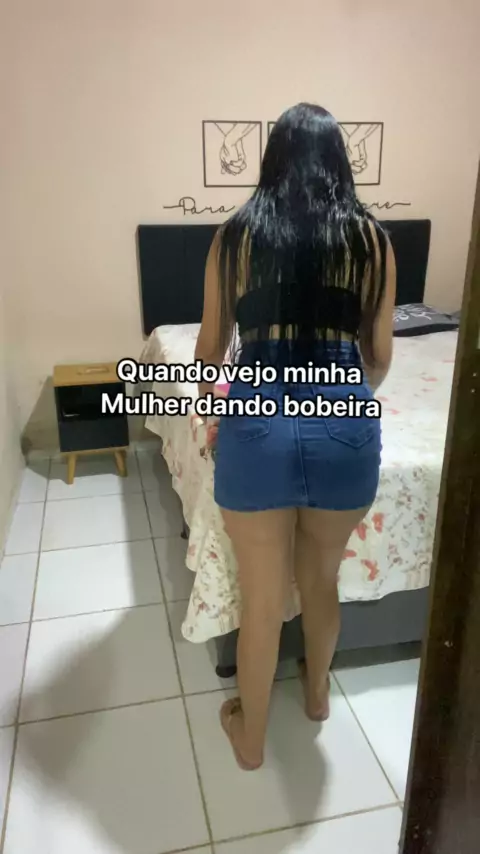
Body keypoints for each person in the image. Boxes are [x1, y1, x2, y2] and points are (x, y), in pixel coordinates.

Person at [194, 103, 396, 771]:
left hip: (258, 422)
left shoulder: (235, 238)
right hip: (344, 425)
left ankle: (250, 742)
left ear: (271, 158)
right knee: (322, 582)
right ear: (340, 161)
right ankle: (315, 699)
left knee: (262, 602)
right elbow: (379, 359)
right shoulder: (371, 241)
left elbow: (209, 353)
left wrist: (215, 412)